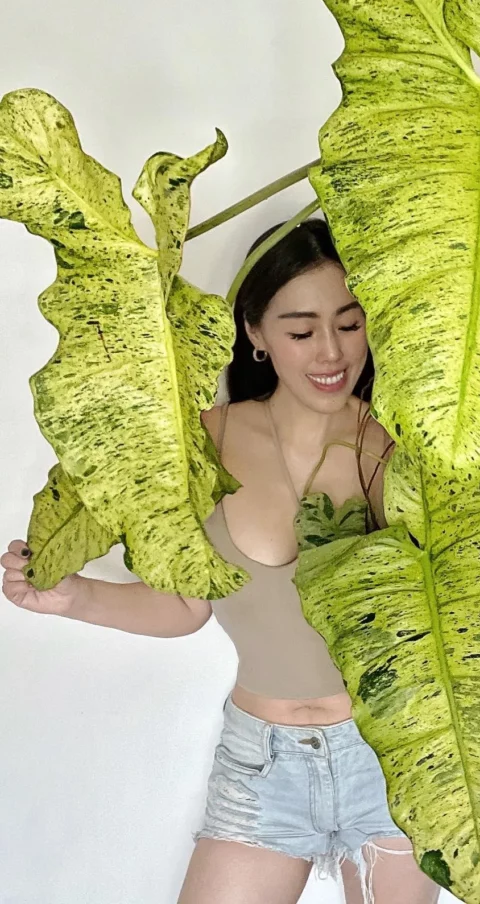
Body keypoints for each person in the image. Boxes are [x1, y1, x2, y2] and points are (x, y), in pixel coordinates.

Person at [2, 217, 441, 904]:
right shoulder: (202, 442)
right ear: (256, 334)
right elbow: (184, 605)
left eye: (349, 324)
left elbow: (465, 595)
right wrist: (73, 598)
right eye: (300, 330)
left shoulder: (408, 445)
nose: (330, 351)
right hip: (262, 763)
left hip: (394, 748)